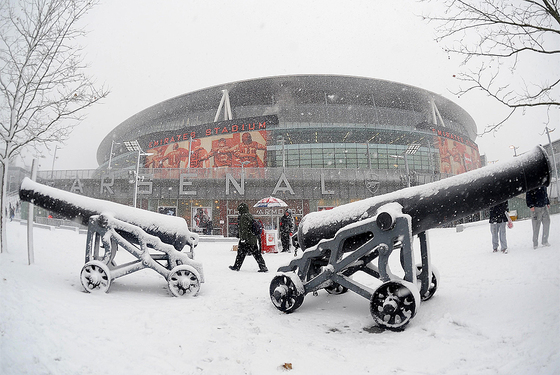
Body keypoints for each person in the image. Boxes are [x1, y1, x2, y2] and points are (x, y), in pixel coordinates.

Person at [229, 203, 268, 272]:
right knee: (256, 254)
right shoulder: (249, 215)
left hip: (247, 239)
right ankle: (263, 267)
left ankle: (236, 266)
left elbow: (244, 229)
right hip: (252, 239)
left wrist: (243, 238)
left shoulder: (243, 217)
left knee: (241, 253)